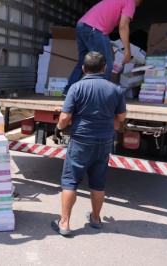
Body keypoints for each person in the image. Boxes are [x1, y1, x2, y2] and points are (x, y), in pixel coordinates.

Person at [51, 51, 127, 236]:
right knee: (98, 181)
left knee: (70, 181)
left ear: (83, 68)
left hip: (81, 140)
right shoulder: (115, 89)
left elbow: (65, 117)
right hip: (104, 141)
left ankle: (65, 223)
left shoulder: (76, 88)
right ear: (104, 68)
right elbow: (122, 116)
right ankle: (95, 218)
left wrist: (59, 128)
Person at [64, 0, 143, 95]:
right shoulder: (130, 2)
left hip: (81, 26)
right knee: (105, 63)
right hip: (95, 29)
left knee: (82, 62)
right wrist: (127, 51)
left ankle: (68, 91)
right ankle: (100, 95)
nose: (138, 5)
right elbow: (123, 27)